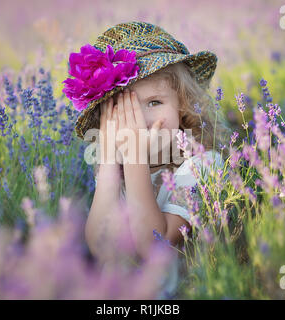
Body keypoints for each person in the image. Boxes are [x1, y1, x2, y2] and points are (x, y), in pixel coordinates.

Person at [62, 21, 230, 299]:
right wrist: (108, 162)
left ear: (183, 105)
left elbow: (153, 245)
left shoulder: (202, 165)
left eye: (154, 102)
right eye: (125, 108)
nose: (139, 121)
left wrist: (134, 157)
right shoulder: (116, 168)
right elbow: (102, 246)